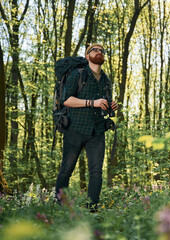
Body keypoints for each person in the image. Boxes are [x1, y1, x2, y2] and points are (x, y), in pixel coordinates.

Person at [55, 44, 118, 212]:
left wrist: (110, 106)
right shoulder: (78, 74)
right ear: (87, 55)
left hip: (97, 132)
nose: (100, 52)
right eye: (95, 50)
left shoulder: (106, 80)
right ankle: (60, 206)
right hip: (74, 128)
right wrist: (92, 102)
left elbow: (103, 106)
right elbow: (66, 100)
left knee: (96, 173)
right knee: (66, 170)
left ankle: (93, 210)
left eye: (102, 51)